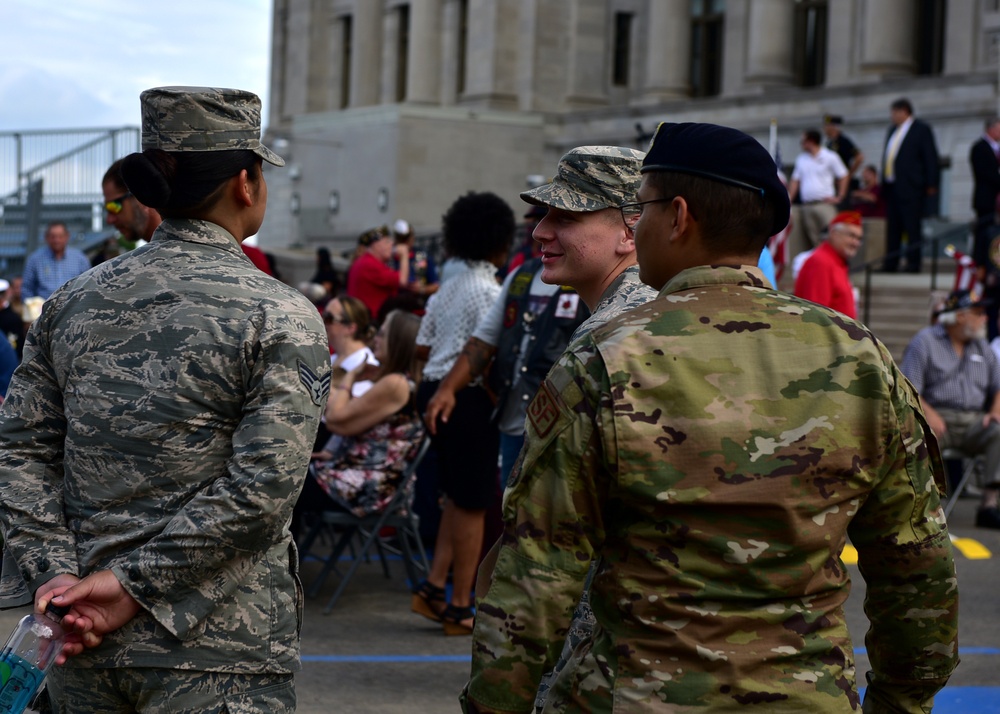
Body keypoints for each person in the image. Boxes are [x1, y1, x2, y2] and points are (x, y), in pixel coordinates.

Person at [463, 122, 959, 713]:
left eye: (641, 208)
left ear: (676, 217)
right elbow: (918, 571)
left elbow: (536, 577)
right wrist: (900, 702)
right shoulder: (860, 358)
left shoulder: (608, 359)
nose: (636, 226)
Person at [0, 86, 330, 713]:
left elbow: (19, 452)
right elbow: (262, 488)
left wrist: (59, 579)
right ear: (245, 181)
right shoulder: (281, 315)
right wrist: (131, 588)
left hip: (79, 646)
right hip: (217, 652)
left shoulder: (71, 302)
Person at [411, 191, 514, 636]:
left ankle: (435, 587)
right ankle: (460, 603)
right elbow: (488, 350)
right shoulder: (491, 289)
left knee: (454, 496)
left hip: (432, 389)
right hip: (467, 395)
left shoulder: (448, 284)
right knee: (473, 502)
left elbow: (422, 342)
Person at [293, 309, 423, 534]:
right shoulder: (398, 380)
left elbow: (335, 420)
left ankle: (282, 564)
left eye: (382, 335)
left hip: (369, 487)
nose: (375, 340)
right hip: (361, 476)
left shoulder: (395, 383)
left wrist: (350, 377)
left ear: (397, 342)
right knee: (285, 477)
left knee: (281, 484)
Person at [901, 289, 1000, 529]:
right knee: (918, 435)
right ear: (959, 316)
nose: (984, 318)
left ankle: (988, 506)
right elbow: (907, 387)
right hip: (935, 418)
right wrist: (930, 415)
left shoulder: (981, 347)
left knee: (999, 431)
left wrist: (995, 411)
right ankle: (923, 508)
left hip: (973, 420)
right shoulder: (925, 341)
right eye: (978, 313)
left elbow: (999, 385)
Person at [881, 97, 940, 273]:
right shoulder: (892, 130)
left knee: (912, 227)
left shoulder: (921, 129)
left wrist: (931, 183)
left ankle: (913, 263)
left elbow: (930, 157)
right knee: (893, 228)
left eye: (894, 113)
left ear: (904, 111)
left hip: (912, 188)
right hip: (892, 187)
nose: (892, 116)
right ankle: (891, 263)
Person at [794, 210, 863, 318]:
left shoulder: (837, 262)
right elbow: (816, 315)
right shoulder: (821, 262)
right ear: (834, 234)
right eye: (851, 236)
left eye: (859, 238)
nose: (856, 243)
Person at [788, 129, 849, 248]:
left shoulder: (830, 156)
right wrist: (789, 199)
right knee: (814, 240)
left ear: (811, 141)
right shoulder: (801, 159)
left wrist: (840, 196)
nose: (801, 144)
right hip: (807, 205)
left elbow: (844, 175)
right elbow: (795, 181)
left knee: (832, 236)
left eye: (803, 141)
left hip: (824, 204)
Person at [346, 225, 410, 322]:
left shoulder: (367, 262)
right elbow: (402, 281)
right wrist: (404, 255)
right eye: (387, 241)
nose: (392, 244)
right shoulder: (369, 264)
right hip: (370, 322)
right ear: (376, 245)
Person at [21, 221, 93, 300]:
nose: (57, 240)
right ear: (46, 237)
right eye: (53, 237)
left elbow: (88, 285)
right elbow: (26, 289)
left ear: (67, 236)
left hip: (73, 308)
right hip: (43, 309)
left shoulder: (80, 259)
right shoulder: (34, 260)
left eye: (60, 236)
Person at [101, 158, 162, 245]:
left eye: (114, 206)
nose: (109, 220)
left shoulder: (174, 253)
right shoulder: (172, 250)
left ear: (143, 195)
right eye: (108, 208)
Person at [969, 117, 1000, 268]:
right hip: (986, 199)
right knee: (983, 231)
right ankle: (980, 261)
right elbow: (985, 174)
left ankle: (992, 259)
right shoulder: (979, 147)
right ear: (991, 129)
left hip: (996, 200)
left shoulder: (996, 148)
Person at [823, 114, 865, 198]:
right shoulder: (829, 143)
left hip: (842, 182)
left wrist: (848, 175)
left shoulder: (843, 141)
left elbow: (859, 157)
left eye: (827, 125)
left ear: (833, 127)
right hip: (832, 182)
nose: (824, 128)